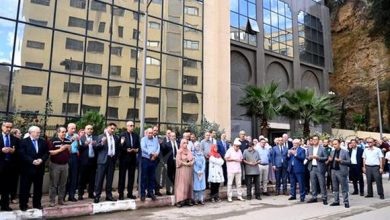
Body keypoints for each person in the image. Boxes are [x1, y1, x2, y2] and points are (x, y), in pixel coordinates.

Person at [19, 126, 49, 211]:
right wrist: (32, 161)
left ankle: (37, 204)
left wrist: (41, 159)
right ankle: (23, 205)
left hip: (39, 169)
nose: (39, 134)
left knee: (38, 189)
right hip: (27, 169)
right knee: (25, 188)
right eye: (37, 132)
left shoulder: (43, 142)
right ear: (31, 132)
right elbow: (22, 154)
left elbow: (47, 153)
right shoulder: (23, 142)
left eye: (39, 132)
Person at [94, 123, 120, 203]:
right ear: (107, 128)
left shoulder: (116, 137)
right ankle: (97, 196)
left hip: (111, 160)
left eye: (114, 129)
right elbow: (96, 147)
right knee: (99, 179)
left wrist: (116, 158)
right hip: (102, 160)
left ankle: (109, 195)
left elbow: (117, 148)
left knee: (110, 179)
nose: (112, 130)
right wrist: (102, 143)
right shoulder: (101, 136)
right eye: (111, 128)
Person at [49, 127, 72, 207]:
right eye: (62, 132)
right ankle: (52, 201)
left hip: (65, 165)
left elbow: (70, 152)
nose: (64, 133)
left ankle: (61, 200)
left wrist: (69, 149)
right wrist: (61, 149)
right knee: (54, 184)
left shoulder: (68, 141)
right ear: (58, 132)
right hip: (55, 165)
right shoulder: (53, 140)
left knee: (63, 184)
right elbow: (51, 152)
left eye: (65, 132)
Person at [118, 121, 140, 200]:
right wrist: (126, 150)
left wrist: (136, 149)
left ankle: (130, 193)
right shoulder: (122, 135)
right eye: (130, 125)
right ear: (127, 126)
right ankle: (121, 194)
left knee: (131, 177)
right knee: (122, 176)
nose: (132, 127)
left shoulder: (136, 136)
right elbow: (120, 146)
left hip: (133, 159)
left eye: (133, 125)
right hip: (124, 158)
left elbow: (138, 146)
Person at [0, 121, 19, 211]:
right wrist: (1, 150)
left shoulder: (14, 139)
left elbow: (19, 152)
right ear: (2, 127)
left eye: (10, 127)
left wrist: (13, 151)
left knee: (6, 187)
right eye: (7, 127)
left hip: (10, 166)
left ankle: (5, 205)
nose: (8, 129)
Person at [328, 139, 351, 208]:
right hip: (333, 171)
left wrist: (341, 161)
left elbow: (349, 162)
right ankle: (336, 201)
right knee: (335, 187)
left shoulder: (345, 152)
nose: (334, 145)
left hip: (341, 171)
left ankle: (346, 202)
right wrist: (329, 160)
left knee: (344, 187)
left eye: (336, 144)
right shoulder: (332, 152)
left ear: (339, 144)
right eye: (333, 144)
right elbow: (330, 160)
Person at [307, 135, 328, 205]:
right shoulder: (309, 148)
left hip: (320, 168)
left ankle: (324, 198)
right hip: (312, 167)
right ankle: (314, 197)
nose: (314, 141)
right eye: (313, 139)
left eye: (316, 139)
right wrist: (309, 157)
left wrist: (318, 158)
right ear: (312, 140)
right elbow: (307, 157)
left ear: (318, 140)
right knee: (313, 184)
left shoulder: (322, 148)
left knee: (322, 184)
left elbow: (326, 158)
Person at [140, 128, 160, 201]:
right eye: (149, 133)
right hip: (146, 160)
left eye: (152, 133)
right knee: (144, 177)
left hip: (153, 160)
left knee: (152, 177)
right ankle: (142, 194)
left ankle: (151, 192)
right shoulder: (143, 139)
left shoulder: (155, 140)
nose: (151, 134)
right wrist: (151, 154)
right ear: (147, 133)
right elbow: (143, 148)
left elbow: (158, 147)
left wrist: (156, 154)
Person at [78, 125, 97, 200]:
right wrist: (85, 144)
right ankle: (80, 194)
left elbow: (98, 147)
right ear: (85, 130)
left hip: (93, 161)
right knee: (82, 178)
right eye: (88, 129)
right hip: (84, 161)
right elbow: (79, 148)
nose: (90, 130)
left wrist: (96, 145)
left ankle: (91, 193)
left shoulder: (95, 138)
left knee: (92, 178)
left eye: (91, 129)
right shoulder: (81, 138)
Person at [174, 139, 194, 207]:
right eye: (184, 143)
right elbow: (178, 161)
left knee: (188, 184)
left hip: (188, 170)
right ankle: (179, 201)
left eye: (186, 143)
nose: (185, 144)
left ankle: (187, 199)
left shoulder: (189, 151)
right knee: (181, 185)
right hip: (182, 170)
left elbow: (192, 158)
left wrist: (192, 162)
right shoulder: (179, 151)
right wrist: (185, 163)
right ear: (181, 144)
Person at [66, 123, 79, 202]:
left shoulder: (76, 136)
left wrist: (78, 141)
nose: (73, 130)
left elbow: (80, 147)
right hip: (66, 157)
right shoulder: (64, 135)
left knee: (74, 177)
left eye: (75, 129)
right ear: (68, 128)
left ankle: (71, 195)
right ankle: (63, 195)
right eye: (72, 128)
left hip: (74, 157)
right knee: (65, 178)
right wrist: (71, 140)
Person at [9, 128, 22, 204]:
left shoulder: (20, 142)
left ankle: (13, 197)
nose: (20, 134)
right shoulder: (9, 140)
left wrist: (14, 151)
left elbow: (20, 152)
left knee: (14, 182)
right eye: (19, 133)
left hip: (16, 165)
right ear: (14, 134)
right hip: (7, 164)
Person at [152, 125, 164, 196]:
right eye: (154, 130)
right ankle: (151, 191)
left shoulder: (159, 138)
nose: (156, 132)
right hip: (151, 159)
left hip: (158, 160)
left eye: (157, 130)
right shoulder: (149, 138)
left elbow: (163, 148)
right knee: (151, 175)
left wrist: (161, 143)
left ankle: (157, 190)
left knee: (158, 175)